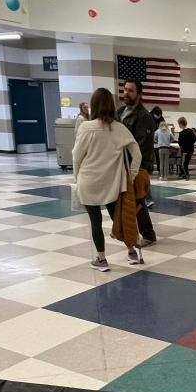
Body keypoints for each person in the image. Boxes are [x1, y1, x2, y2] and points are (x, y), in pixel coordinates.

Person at [72, 87, 142, 271]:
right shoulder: (119, 128)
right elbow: (137, 154)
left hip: (88, 181)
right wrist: (131, 175)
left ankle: (101, 260)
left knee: (95, 221)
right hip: (112, 183)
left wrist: (76, 179)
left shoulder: (86, 127)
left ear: (93, 105)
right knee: (119, 217)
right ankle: (131, 251)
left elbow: (76, 156)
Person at [118, 77, 156, 246]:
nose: (126, 93)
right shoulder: (120, 112)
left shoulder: (144, 116)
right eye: (125, 89)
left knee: (138, 200)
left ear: (139, 94)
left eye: (131, 90)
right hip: (120, 164)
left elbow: (143, 146)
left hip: (137, 166)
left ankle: (148, 235)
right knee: (126, 201)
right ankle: (123, 230)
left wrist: (134, 167)